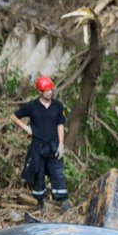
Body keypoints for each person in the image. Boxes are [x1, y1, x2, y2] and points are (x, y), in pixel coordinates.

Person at [14, 75, 69, 213]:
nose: (50, 92)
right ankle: (40, 202)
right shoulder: (32, 106)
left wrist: (61, 144)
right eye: (47, 90)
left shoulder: (57, 106)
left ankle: (63, 202)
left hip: (53, 145)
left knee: (58, 173)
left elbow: (60, 125)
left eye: (51, 89)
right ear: (41, 91)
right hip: (37, 146)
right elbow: (14, 116)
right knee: (38, 174)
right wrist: (26, 128)